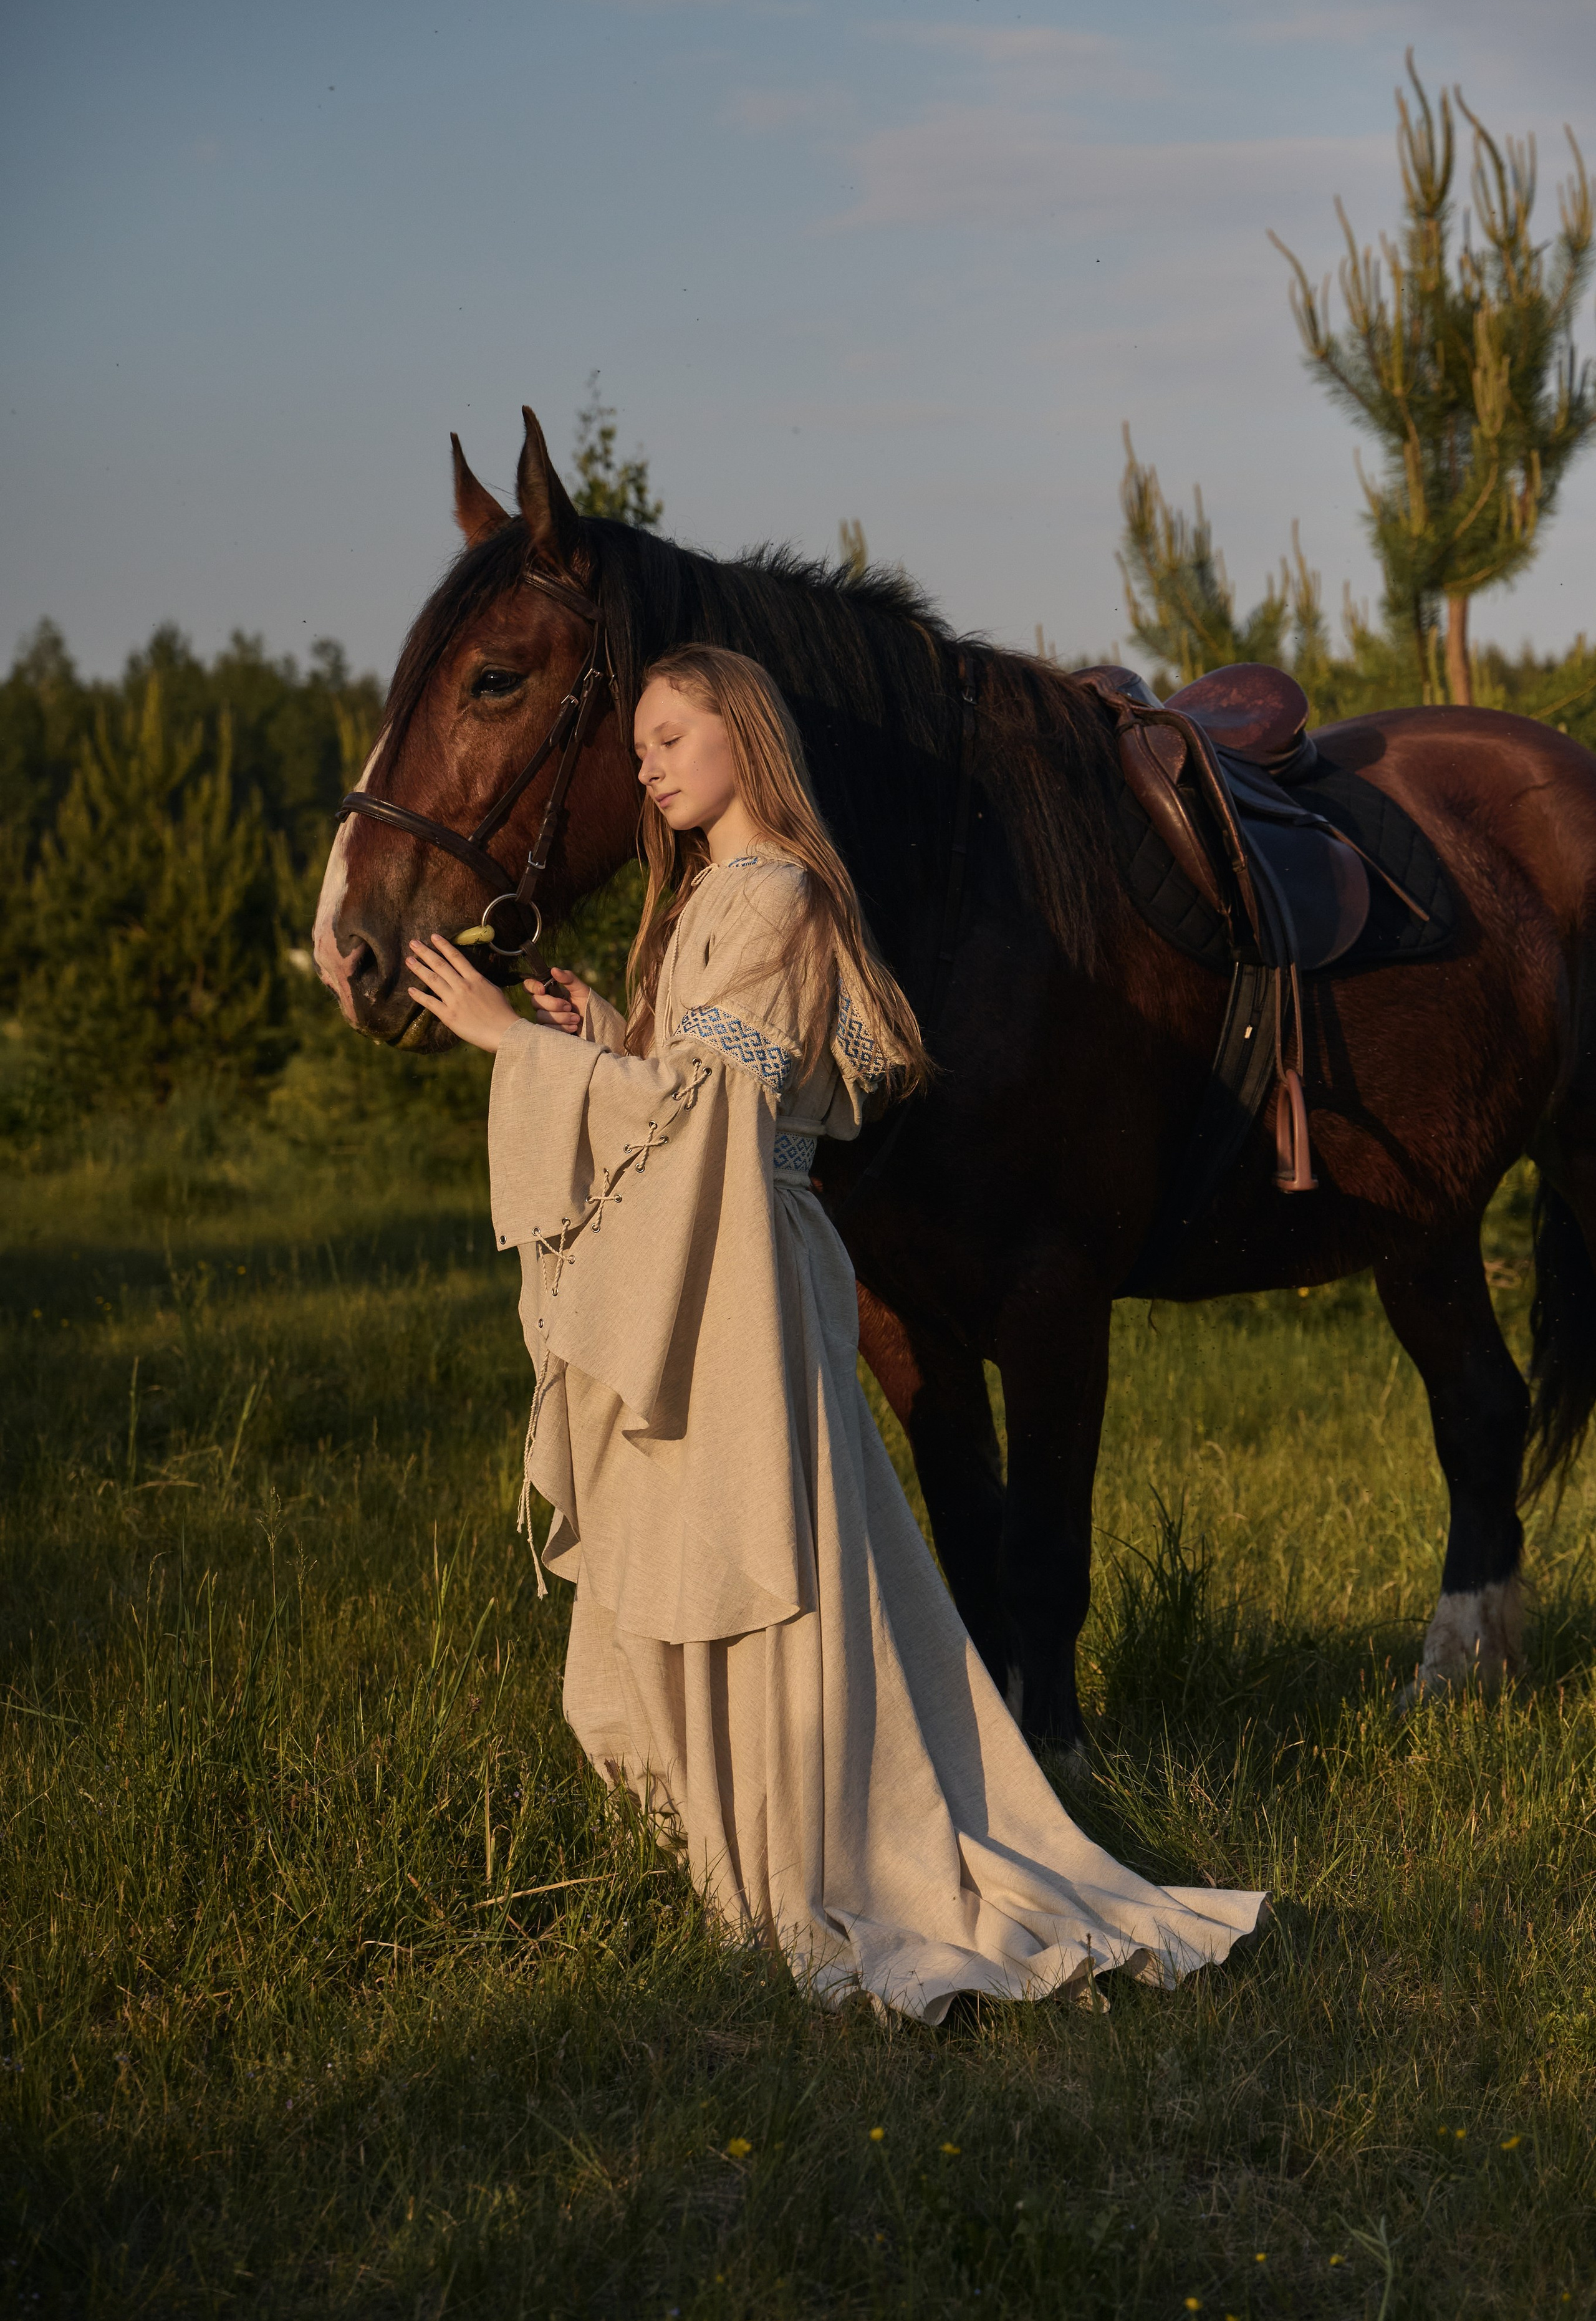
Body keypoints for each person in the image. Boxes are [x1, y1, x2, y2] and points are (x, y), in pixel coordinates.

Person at [404, 643, 1266, 2022]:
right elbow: (695, 1091)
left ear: (746, 735)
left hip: (749, 1269)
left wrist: (516, 1045)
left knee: (778, 1548)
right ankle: (742, 1823)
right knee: (712, 1536)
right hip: (724, 1254)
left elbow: (727, 1122)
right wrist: (607, 1034)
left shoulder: (782, 894)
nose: (649, 763)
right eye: (639, 749)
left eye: (674, 736)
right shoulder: (708, 902)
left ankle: (819, 1833)